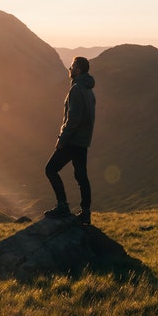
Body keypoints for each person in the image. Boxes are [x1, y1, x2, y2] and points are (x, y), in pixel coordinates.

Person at [44, 56, 96, 224]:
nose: (70, 69)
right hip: (82, 141)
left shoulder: (76, 89)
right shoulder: (89, 90)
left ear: (78, 70)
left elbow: (73, 119)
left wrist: (62, 139)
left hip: (72, 140)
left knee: (50, 169)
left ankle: (62, 206)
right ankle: (86, 212)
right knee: (81, 176)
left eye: (72, 66)